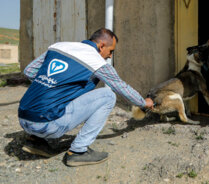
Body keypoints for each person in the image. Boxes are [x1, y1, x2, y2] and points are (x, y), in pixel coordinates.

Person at [18, 28, 154, 167]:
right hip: (47, 125)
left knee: (67, 93)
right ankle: (78, 152)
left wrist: (51, 86)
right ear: (101, 46)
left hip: (23, 119)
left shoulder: (58, 46)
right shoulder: (97, 62)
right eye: (111, 51)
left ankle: (36, 141)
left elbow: (29, 71)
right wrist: (144, 103)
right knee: (108, 96)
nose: (110, 56)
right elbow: (121, 87)